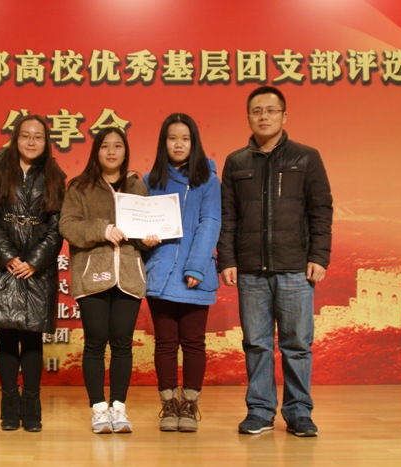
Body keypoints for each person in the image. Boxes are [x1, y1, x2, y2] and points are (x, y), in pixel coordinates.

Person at [218, 86, 333, 437]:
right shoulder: (236, 162)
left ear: (284, 115)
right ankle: (260, 410)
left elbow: (321, 210)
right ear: (248, 117)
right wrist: (227, 258)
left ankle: (299, 412)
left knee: (297, 344)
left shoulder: (306, 157)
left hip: (296, 267)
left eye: (270, 110)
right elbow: (228, 215)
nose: (264, 116)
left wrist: (319, 256)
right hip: (251, 269)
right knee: (256, 343)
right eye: (257, 111)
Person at [59, 127, 160, 434]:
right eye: (105, 146)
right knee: (94, 342)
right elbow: (67, 225)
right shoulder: (79, 186)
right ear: (96, 151)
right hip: (93, 274)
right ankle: (98, 409)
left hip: (128, 275)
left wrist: (148, 239)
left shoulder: (136, 186)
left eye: (118, 146)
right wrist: (101, 230)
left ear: (125, 151)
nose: (112, 151)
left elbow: (141, 231)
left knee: (122, 343)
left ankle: (118, 408)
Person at [0, 115, 66, 433]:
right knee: (7, 335)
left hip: (38, 267)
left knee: (32, 337)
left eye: (38, 137)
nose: (31, 142)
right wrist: (8, 257)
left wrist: (35, 261)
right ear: (15, 138)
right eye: (25, 135)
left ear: (46, 141)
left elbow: (57, 227)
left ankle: (32, 404)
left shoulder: (55, 174)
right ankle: (9, 404)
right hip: (1, 265)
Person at [143, 113, 221, 432]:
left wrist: (196, 267)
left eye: (185, 139)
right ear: (164, 143)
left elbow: (210, 222)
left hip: (195, 274)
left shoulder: (208, 180)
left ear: (194, 142)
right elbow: (139, 223)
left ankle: (189, 405)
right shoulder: (150, 180)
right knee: (165, 342)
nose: (179, 144)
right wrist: (144, 240)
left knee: (193, 342)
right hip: (160, 272)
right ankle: (169, 405)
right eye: (173, 138)